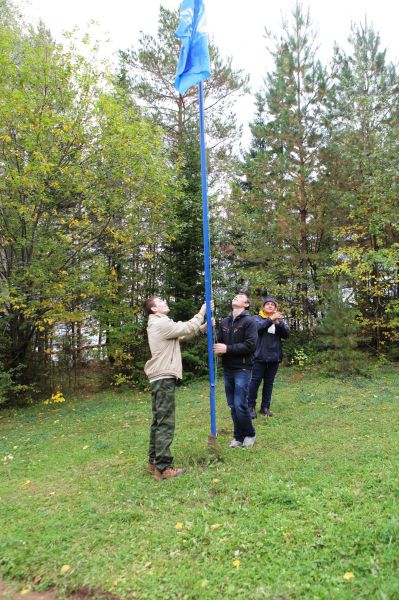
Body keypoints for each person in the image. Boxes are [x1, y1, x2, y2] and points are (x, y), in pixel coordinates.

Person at [143, 296, 208, 480]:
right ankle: (164, 469)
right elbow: (186, 327)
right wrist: (202, 312)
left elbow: (182, 336)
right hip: (163, 378)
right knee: (165, 422)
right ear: (155, 309)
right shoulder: (160, 323)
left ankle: (153, 462)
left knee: (158, 420)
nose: (165, 302)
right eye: (161, 301)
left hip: (159, 377)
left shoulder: (160, 324)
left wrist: (202, 329)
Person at [213, 292, 258, 448]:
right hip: (228, 368)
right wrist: (218, 347)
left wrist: (227, 348)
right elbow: (220, 342)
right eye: (235, 296)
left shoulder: (250, 321)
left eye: (240, 297)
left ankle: (250, 434)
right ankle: (238, 437)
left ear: (246, 304)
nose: (235, 297)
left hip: (243, 368)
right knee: (232, 405)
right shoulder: (224, 321)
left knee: (240, 404)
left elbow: (251, 345)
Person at [247, 297, 290, 418]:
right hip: (258, 357)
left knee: (269, 383)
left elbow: (287, 335)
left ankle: (265, 407)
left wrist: (279, 323)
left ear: (276, 308)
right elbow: (257, 329)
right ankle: (250, 407)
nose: (270, 306)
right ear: (263, 307)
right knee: (254, 383)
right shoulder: (256, 318)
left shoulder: (279, 320)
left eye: (273, 305)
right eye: (267, 304)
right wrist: (271, 319)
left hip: (274, 357)